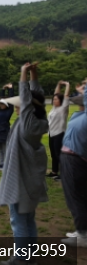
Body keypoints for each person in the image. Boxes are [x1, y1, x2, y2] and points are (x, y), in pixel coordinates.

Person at [0, 63, 49, 265]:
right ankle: (30, 257)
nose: (17, 107)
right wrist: (34, 74)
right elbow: (37, 98)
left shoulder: (26, 125)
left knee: (18, 221)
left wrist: (23, 73)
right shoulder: (39, 120)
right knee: (29, 220)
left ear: (26, 108)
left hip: (21, 182)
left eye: (19, 105)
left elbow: (28, 100)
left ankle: (21, 259)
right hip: (31, 182)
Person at [59, 81, 87, 247]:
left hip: (75, 159)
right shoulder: (80, 115)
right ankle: (82, 230)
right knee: (80, 196)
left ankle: (83, 234)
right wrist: (80, 91)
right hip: (72, 158)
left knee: (75, 197)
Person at [46, 81, 71, 181]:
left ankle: (64, 174)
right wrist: (59, 85)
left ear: (60, 100)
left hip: (59, 134)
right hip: (51, 134)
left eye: (56, 99)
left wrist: (67, 85)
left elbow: (66, 95)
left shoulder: (63, 108)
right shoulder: (54, 108)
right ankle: (54, 172)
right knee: (53, 154)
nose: (54, 100)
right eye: (53, 99)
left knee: (59, 154)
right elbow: (56, 93)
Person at [0, 83, 15, 170]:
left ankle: (6, 165)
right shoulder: (0, 110)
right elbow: (2, 99)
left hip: (4, 131)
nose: (1, 105)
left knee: (5, 149)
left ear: (6, 105)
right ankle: (1, 164)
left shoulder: (9, 111)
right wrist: (3, 89)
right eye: (1, 104)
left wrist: (10, 89)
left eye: (3, 104)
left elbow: (11, 101)